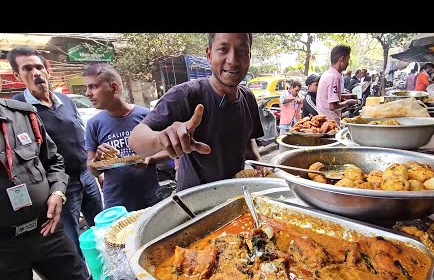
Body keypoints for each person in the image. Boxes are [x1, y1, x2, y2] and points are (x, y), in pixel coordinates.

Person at [129, 33, 264, 192]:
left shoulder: (248, 97)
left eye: (242, 51)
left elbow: (248, 139)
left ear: (249, 56)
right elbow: (136, 140)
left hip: (236, 195)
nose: (233, 61)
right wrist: (161, 139)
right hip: (194, 202)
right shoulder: (186, 95)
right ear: (209, 54)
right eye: (223, 49)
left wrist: (258, 163)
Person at [7, 46, 103, 260]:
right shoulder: (17, 109)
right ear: (17, 75)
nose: (36, 73)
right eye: (27, 68)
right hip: (60, 187)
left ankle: (111, 272)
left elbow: (82, 133)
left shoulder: (65, 100)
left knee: (101, 227)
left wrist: (97, 168)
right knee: (72, 239)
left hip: (86, 176)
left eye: (39, 67)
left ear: (47, 70)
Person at [0, 98, 87, 280]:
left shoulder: (23, 115)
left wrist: (58, 191)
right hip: (4, 248)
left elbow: (53, 161)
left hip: (47, 229)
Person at [84, 63, 168, 211]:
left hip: (150, 198)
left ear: (114, 87)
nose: (87, 93)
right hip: (116, 204)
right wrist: (97, 161)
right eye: (87, 88)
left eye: (93, 87)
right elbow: (92, 170)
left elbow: (169, 150)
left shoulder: (146, 117)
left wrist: (150, 159)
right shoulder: (93, 124)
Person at [316, 45, 358, 123]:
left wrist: (346, 96)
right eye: (348, 59)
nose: (348, 63)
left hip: (325, 120)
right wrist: (348, 102)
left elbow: (329, 97)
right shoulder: (333, 77)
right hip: (330, 122)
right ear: (342, 59)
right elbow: (333, 106)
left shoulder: (327, 74)